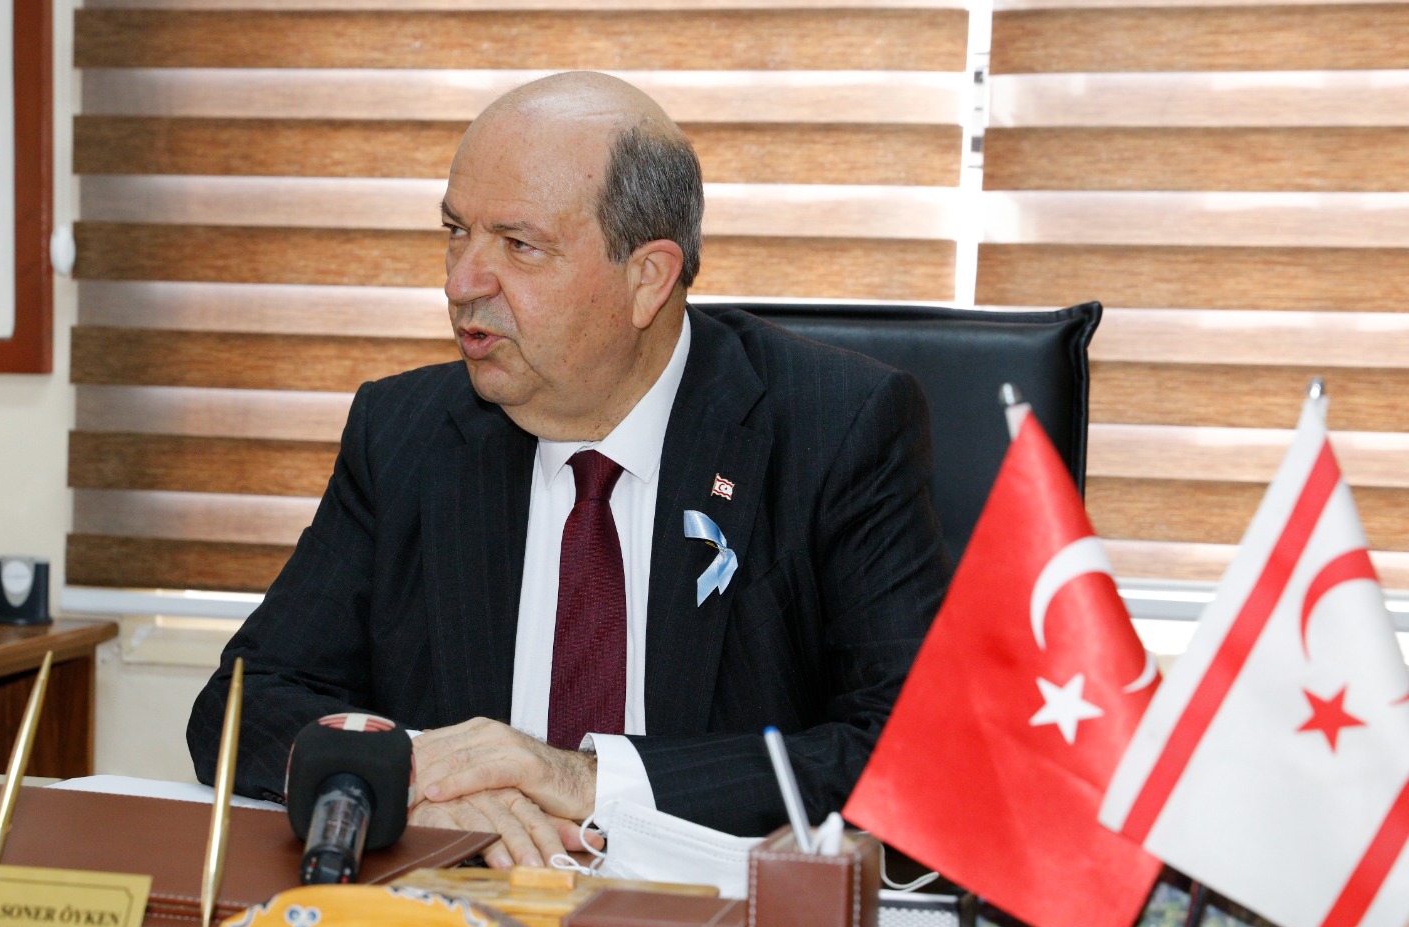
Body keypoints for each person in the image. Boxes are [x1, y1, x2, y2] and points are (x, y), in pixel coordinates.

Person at [187, 71, 950, 868]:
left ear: (647, 279)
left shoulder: (833, 430)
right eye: (456, 231)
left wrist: (583, 779)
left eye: (518, 245)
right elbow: (239, 708)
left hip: (708, 915)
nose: (460, 282)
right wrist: (418, 780)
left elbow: (913, 756)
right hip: (468, 914)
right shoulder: (405, 434)